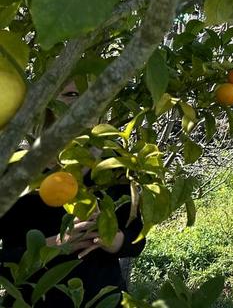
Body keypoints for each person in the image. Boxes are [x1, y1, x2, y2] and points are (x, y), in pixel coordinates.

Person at [0, 83, 145, 307]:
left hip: (104, 299)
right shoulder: (15, 169)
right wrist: (54, 245)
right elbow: (4, 262)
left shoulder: (114, 163)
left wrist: (111, 238)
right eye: (72, 94)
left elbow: (136, 240)